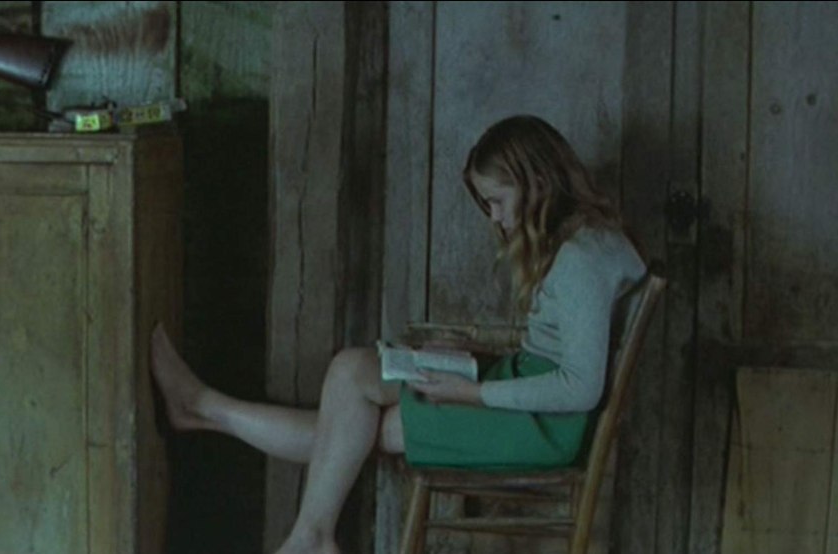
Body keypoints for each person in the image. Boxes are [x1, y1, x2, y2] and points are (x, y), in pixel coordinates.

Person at [150, 114, 647, 554]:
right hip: (525, 389)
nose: (495, 218)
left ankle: (218, 425)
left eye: (497, 200)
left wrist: (472, 393)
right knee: (351, 369)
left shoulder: (581, 260)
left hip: (545, 426)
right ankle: (223, 434)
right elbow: (563, 346)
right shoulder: (589, 239)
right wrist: (469, 358)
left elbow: (580, 388)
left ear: (536, 181)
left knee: (365, 428)